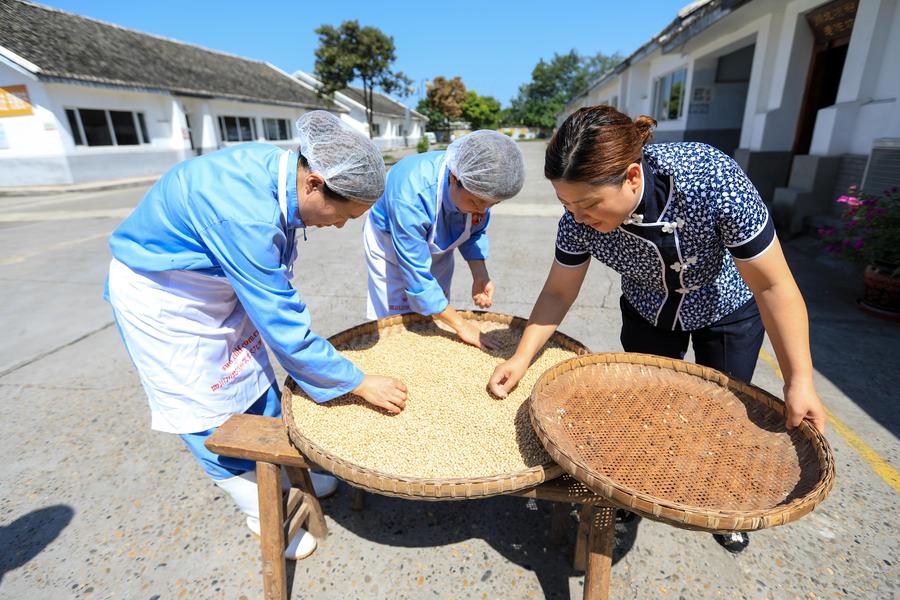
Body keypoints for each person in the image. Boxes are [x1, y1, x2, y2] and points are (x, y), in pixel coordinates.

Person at [487, 105, 827, 553]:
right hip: (649, 308)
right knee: (646, 410)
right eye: (566, 203)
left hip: (723, 305)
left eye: (588, 204)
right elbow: (557, 294)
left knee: (723, 413)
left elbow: (772, 284)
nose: (578, 215)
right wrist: (520, 357)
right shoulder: (577, 218)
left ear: (631, 176)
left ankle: (723, 505)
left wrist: (798, 379)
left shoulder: (709, 178)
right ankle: (636, 491)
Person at [106, 111, 407, 560]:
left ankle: (284, 471)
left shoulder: (281, 173)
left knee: (250, 374)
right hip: (167, 298)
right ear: (314, 184)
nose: (341, 225)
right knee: (206, 408)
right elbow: (284, 327)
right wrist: (360, 382)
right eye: (343, 214)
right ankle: (259, 505)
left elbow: (274, 299)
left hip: (214, 283)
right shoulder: (245, 216)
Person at [364, 131, 525, 349]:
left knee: (435, 312)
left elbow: (474, 231)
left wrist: (480, 274)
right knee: (394, 319)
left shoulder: (477, 184)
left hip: (439, 244)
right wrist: (462, 326)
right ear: (453, 179)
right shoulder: (411, 194)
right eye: (476, 202)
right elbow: (418, 278)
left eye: (491, 205)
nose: (482, 210)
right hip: (390, 245)